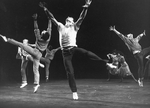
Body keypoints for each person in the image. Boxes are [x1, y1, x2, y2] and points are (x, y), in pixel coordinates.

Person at [39, 0, 108, 100]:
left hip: (74, 48)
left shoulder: (75, 27)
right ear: (66, 21)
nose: (71, 23)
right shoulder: (60, 26)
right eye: (69, 21)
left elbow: (81, 17)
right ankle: (74, 91)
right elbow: (52, 17)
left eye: (72, 21)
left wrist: (86, 7)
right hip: (65, 53)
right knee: (70, 72)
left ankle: (105, 62)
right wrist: (45, 9)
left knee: (86, 53)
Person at [0, 13, 52, 93]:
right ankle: (36, 84)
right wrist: (49, 19)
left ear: (41, 35)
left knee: (21, 45)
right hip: (39, 55)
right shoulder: (48, 39)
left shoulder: (38, 38)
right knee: (36, 70)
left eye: (42, 32)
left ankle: (7, 39)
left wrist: (35, 20)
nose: (43, 31)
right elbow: (49, 28)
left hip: (35, 51)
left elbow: (36, 28)